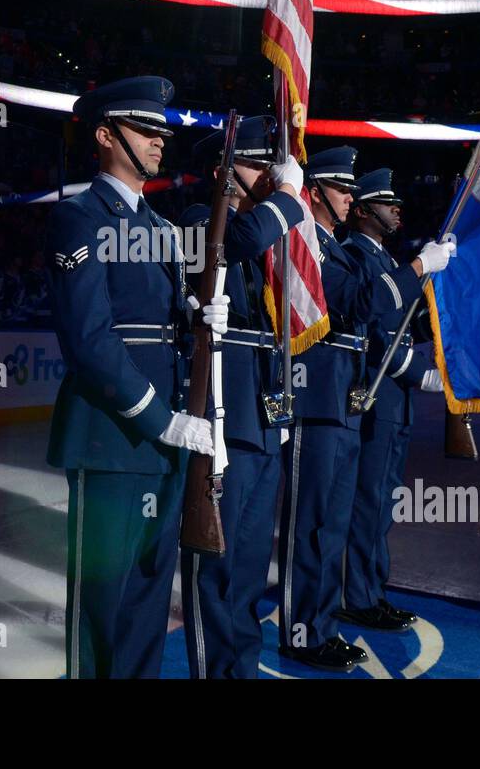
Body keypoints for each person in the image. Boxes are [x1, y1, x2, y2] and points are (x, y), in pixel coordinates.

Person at [45, 76, 225, 679]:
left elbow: (162, 327)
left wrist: (199, 315)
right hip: (112, 438)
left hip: (164, 444)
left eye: (162, 132)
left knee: (149, 597)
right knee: (103, 600)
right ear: (104, 135)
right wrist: (160, 418)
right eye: (146, 130)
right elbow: (90, 341)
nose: (159, 141)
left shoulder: (164, 229)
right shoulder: (78, 218)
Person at [278, 148, 455, 668]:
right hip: (320, 398)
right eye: (343, 190)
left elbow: (378, 309)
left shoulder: (337, 250)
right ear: (316, 194)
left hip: (346, 399)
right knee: (314, 525)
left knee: (332, 522)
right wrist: (419, 267)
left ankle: (323, 623)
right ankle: (304, 629)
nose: (351, 197)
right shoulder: (318, 249)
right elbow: (364, 306)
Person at [178, 116, 305, 679]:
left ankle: (241, 673)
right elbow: (240, 241)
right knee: (215, 567)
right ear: (223, 173)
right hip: (222, 424)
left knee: (251, 572)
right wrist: (289, 197)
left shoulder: (266, 239)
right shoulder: (199, 222)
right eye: (257, 165)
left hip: (264, 420)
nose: (268, 176)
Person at [337, 168, 453, 630]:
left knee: (381, 502)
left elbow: (408, 326)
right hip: (377, 395)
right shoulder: (355, 258)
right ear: (363, 211)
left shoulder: (386, 261)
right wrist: (423, 376)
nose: (397, 210)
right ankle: (357, 596)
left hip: (394, 402)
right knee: (367, 502)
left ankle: (372, 589)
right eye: (387, 204)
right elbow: (377, 336)